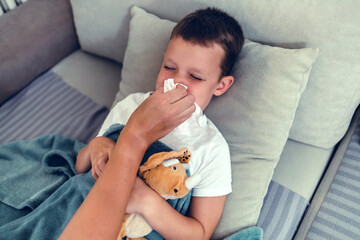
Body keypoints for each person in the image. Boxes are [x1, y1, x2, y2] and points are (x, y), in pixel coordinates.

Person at [60, 7, 244, 240]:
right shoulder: (130, 107)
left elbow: (200, 234)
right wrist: (96, 145)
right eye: (169, 67)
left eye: (195, 77)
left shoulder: (212, 148)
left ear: (220, 86)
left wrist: (145, 201)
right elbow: (79, 167)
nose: (177, 82)